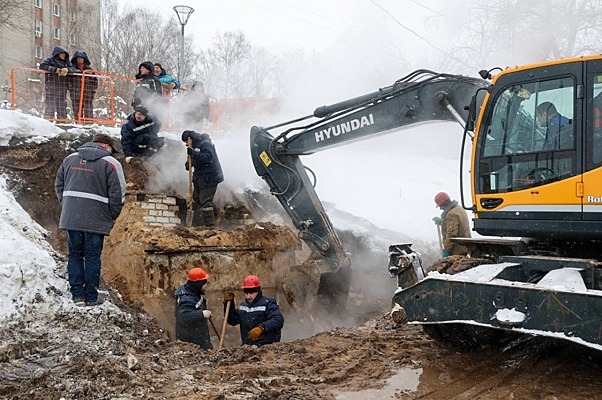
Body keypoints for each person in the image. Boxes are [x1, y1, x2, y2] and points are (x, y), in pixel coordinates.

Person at [55, 133, 126, 306]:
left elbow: (59, 185)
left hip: (71, 217)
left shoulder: (70, 159)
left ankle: (77, 296)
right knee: (92, 257)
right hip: (96, 218)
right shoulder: (111, 163)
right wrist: (110, 215)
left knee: (75, 255)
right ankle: (92, 297)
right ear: (107, 146)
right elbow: (118, 194)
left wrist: (68, 206)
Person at [223, 275, 284, 347]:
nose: (248, 296)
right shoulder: (243, 306)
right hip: (248, 348)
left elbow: (278, 320)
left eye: (251, 293)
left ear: (258, 291)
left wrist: (261, 328)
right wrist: (229, 305)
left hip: (267, 347)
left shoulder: (268, 303)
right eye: (246, 293)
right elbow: (232, 320)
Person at [181, 130, 224, 227]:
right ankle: (215, 213)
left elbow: (207, 158)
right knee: (196, 197)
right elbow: (196, 160)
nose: (186, 144)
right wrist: (189, 164)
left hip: (210, 177)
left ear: (191, 139)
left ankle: (210, 226)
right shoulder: (194, 147)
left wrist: (193, 153)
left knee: (205, 201)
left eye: (186, 142)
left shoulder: (205, 144)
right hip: (200, 178)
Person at [174, 267, 213, 350]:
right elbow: (183, 317)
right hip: (191, 344)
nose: (206, 286)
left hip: (199, 338)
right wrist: (202, 314)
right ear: (198, 284)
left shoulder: (194, 293)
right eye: (204, 283)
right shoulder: (186, 298)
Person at [39, 46, 77, 120]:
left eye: (64, 54)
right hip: (51, 87)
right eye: (62, 54)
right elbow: (43, 66)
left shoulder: (66, 62)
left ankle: (62, 121)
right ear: (57, 54)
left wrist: (67, 70)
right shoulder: (50, 60)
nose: (63, 55)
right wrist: (56, 70)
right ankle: (48, 121)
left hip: (62, 88)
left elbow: (73, 69)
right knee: (50, 105)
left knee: (62, 106)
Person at [432, 192, 471, 257]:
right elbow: (456, 225)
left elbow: (451, 234)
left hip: (456, 249)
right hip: (464, 246)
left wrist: (447, 250)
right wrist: (443, 222)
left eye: (440, 206)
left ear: (443, 204)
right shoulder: (458, 209)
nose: (440, 208)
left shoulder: (452, 214)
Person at [69, 50, 98, 120]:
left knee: (88, 108)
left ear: (84, 59)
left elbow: (95, 81)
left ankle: (89, 123)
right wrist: (71, 89)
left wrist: (92, 90)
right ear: (75, 59)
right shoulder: (72, 69)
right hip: (76, 92)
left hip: (88, 92)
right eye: (78, 58)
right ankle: (78, 122)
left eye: (81, 58)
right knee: (77, 109)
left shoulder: (89, 69)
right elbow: (68, 80)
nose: (80, 60)